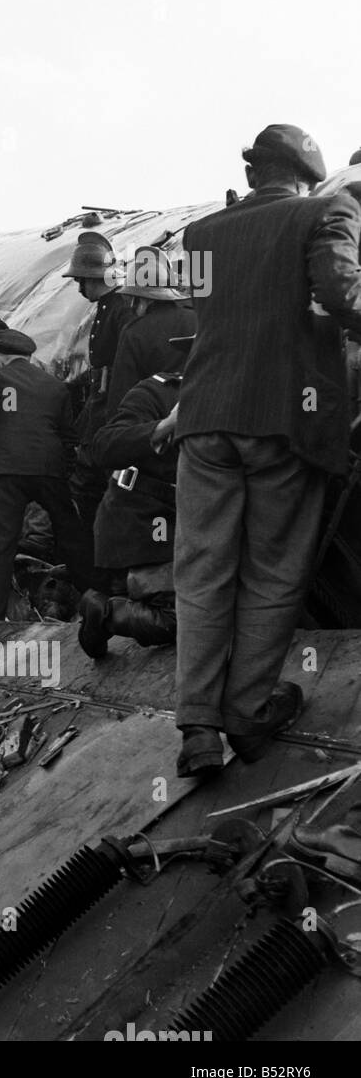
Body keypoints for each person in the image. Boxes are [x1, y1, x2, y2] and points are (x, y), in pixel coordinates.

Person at [172, 123, 361, 779]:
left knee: (202, 567)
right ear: (307, 177)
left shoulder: (202, 234)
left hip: (204, 416)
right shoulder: (324, 211)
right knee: (274, 568)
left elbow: (218, 311)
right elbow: (341, 293)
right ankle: (248, 710)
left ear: (253, 174)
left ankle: (197, 723)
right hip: (284, 414)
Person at [0, 328, 96, 623]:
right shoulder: (55, 386)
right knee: (72, 535)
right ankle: (94, 598)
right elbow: (68, 437)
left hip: (4, 471)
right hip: (48, 469)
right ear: (29, 355)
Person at [77, 335, 191, 658]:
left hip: (194, 527)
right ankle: (104, 611)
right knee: (178, 621)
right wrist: (167, 425)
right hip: (143, 522)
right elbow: (105, 445)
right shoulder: (157, 392)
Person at [63, 231, 137, 524]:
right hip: (99, 405)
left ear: (96, 278)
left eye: (82, 280)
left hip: (111, 407)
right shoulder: (107, 308)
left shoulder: (119, 311)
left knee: (98, 485)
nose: (79, 288)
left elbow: (122, 365)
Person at [103, 247, 196, 419]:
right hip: (197, 415)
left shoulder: (134, 332)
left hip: (153, 423)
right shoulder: (197, 320)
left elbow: (121, 392)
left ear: (142, 299)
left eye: (132, 299)